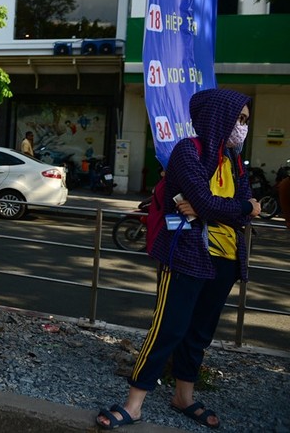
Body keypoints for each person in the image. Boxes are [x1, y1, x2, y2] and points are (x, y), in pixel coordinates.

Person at [97, 89, 260, 430]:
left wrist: (218, 208)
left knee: (200, 332)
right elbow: (228, 205)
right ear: (219, 117)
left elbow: (236, 208)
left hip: (226, 258)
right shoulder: (189, 152)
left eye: (246, 120)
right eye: (239, 119)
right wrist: (232, 207)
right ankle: (134, 403)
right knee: (168, 328)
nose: (243, 127)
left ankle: (183, 396)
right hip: (188, 254)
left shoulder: (233, 162)